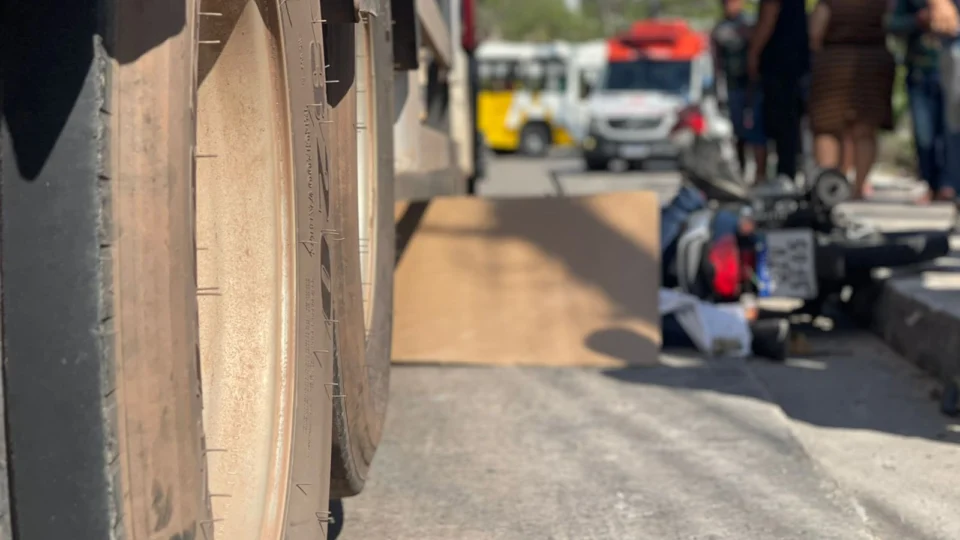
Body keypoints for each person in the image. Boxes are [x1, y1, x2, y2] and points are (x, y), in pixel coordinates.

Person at [806, 0, 896, 200]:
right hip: (874, 61)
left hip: (834, 60)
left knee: (826, 126)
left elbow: (815, 32)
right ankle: (859, 186)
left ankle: (828, 186)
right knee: (864, 128)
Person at [887, 0, 947, 202]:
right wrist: (917, 20)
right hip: (919, 73)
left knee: (950, 136)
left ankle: (948, 186)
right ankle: (931, 184)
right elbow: (893, 24)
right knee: (924, 136)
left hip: (950, 73)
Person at [747, 0, 810, 185]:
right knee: (790, 125)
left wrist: (753, 53)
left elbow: (769, 17)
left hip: (779, 65)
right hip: (795, 64)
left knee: (781, 123)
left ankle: (784, 176)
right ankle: (787, 173)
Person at [712, 0, 768, 181]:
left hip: (754, 86)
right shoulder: (719, 30)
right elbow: (716, 62)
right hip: (733, 88)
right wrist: (717, 90)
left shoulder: (751, 24)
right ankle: (741, 174)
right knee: (739, 134)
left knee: (758, 131)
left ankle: (761, 175)